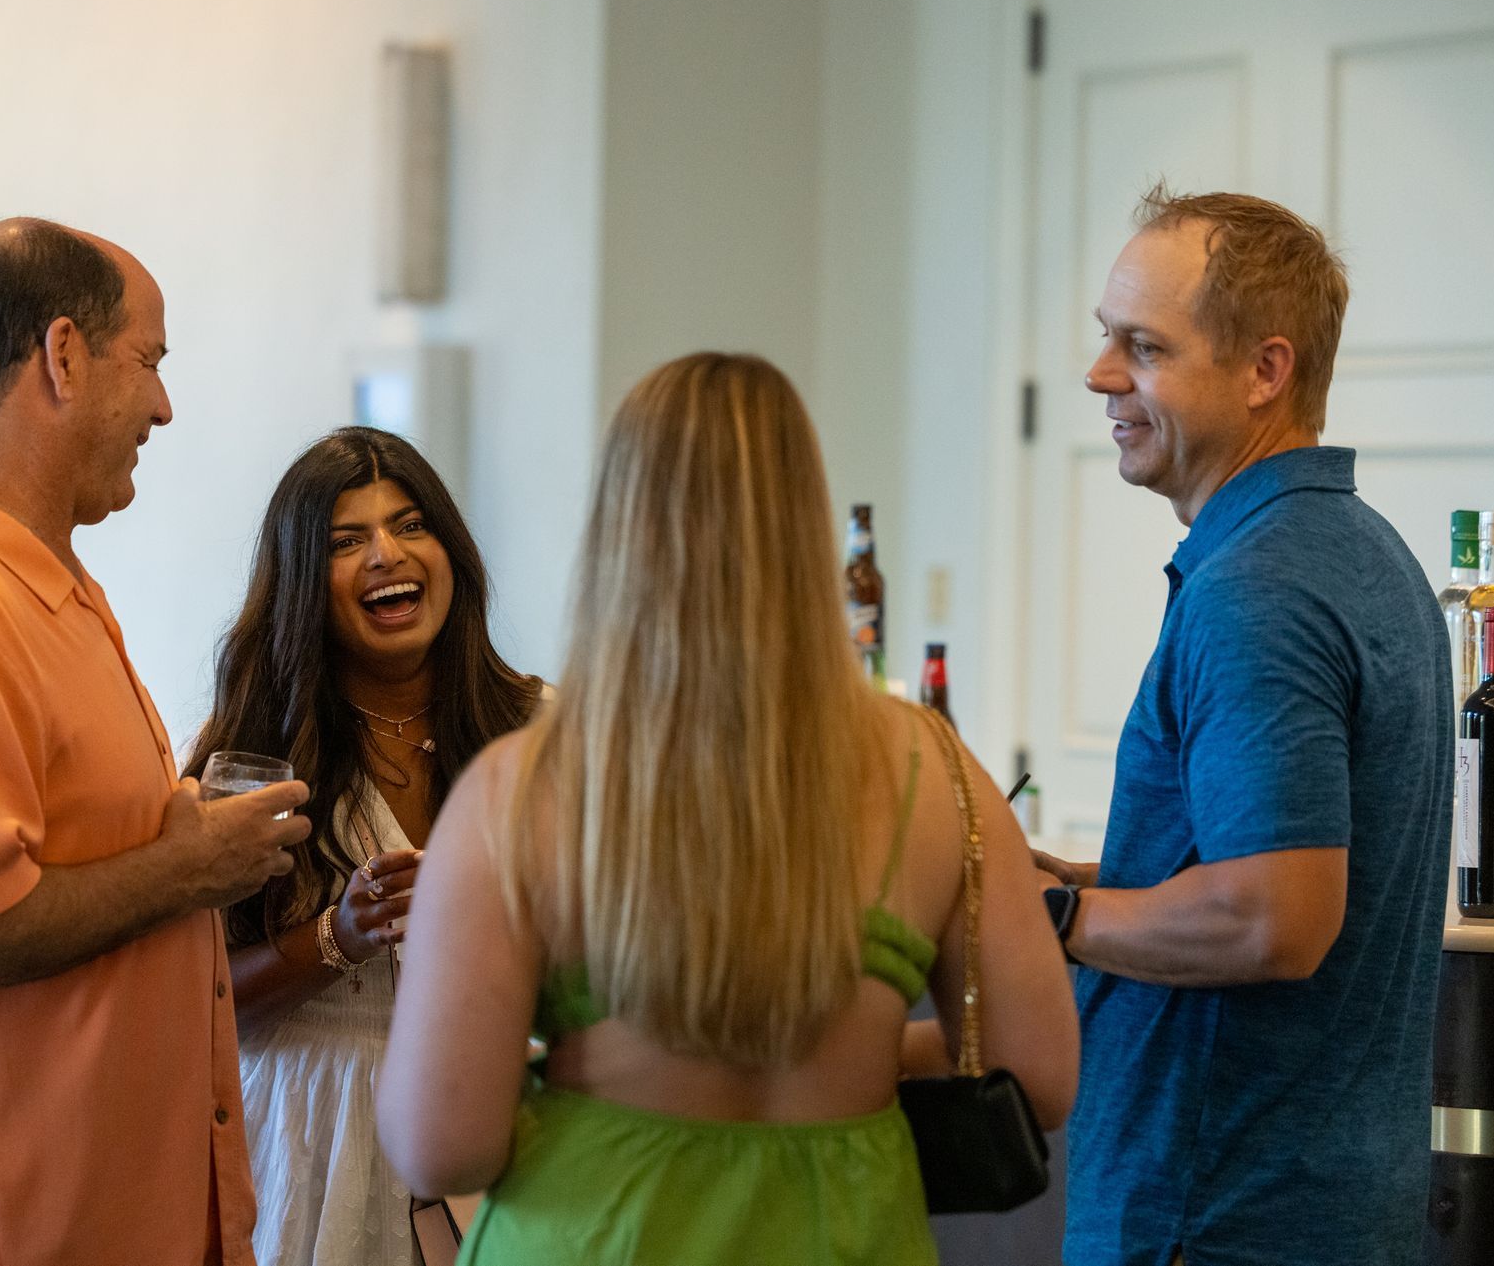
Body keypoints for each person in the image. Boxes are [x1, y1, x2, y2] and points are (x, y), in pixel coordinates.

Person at [377, 353, 1077, 1264]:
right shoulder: (936, 772)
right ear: (805, 521)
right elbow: (1042, 1077)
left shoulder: (522, 790)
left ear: (617, 530)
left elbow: (444, 1141)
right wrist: (862, 1048)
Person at [0, 218, 312, 1266]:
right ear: (64, 355)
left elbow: (58, 850)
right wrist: (186, 868)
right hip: (12, 1230)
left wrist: (171, 833)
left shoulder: (47, 586)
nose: (165, 408)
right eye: (152, 361)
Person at [1032, 187, 1450, 1266]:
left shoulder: (1254, 592)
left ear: (1266, 371)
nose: (1100, 376)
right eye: (1104, 340)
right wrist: (1088, 874)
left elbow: (1274, 918)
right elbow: (1259, 862)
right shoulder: (1365, 555)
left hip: (1216, 1219)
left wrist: (1054, 914)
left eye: (1145, 348)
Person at [187, 427, 541, 1266]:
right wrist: (336, 938)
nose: (388, 554)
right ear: (305, 581)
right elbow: (199, 1004)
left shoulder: (539, 732)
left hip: (494, 1120)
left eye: (412, 524)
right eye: (347, 541)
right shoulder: (250, 757)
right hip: (317, 1134)